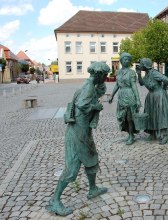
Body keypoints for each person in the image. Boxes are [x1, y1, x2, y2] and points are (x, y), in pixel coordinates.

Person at [47, 62, 110, 216]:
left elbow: (95, 95)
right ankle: (54, 201)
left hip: (84, 131)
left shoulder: (90, 85)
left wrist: (100, 89)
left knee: (92, 159)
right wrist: (96, 107)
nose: (106, 77)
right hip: (77, 134)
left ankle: (93, 189)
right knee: (72, 169)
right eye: (105, 75)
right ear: (99, 74)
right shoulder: (88, 86)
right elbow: (82, 105)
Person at [136, 58, 168, 145]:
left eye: (141, 64)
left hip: (159, 95)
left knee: (161, 115)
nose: (140, 66)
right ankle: (152, 133)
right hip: (151, 96)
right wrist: (139, 74)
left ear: (145, 65)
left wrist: (163, 88)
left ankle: (164, 135)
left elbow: (166, 79)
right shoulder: (147, 74)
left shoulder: (154, 73)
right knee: (151, 115)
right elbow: (141, 83)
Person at [108, 52, 141, 145]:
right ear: (121, 61)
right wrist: (112, 95)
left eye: (128, 60)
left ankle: (131, 136)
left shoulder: (131, 72)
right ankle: (130, 134)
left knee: (130, 117)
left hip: (130, 94)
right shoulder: (118, 72)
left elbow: (134, 86)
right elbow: (117, 84)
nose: (126, 61)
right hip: (121, 95)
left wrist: (138, 99)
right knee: (123, 117)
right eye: (125, 59)